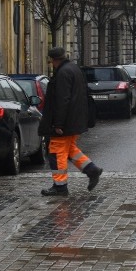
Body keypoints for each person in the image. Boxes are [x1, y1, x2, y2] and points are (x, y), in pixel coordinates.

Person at [38, 47, 102, 196]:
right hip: (75, 119)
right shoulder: (74, 69)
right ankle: (92, 170)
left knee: (56, 152)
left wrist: (58, 124)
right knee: (70, 149)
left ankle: (60, 186)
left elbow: (62, 99)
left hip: (65, 122)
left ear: (53, 60)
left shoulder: (63, 73)